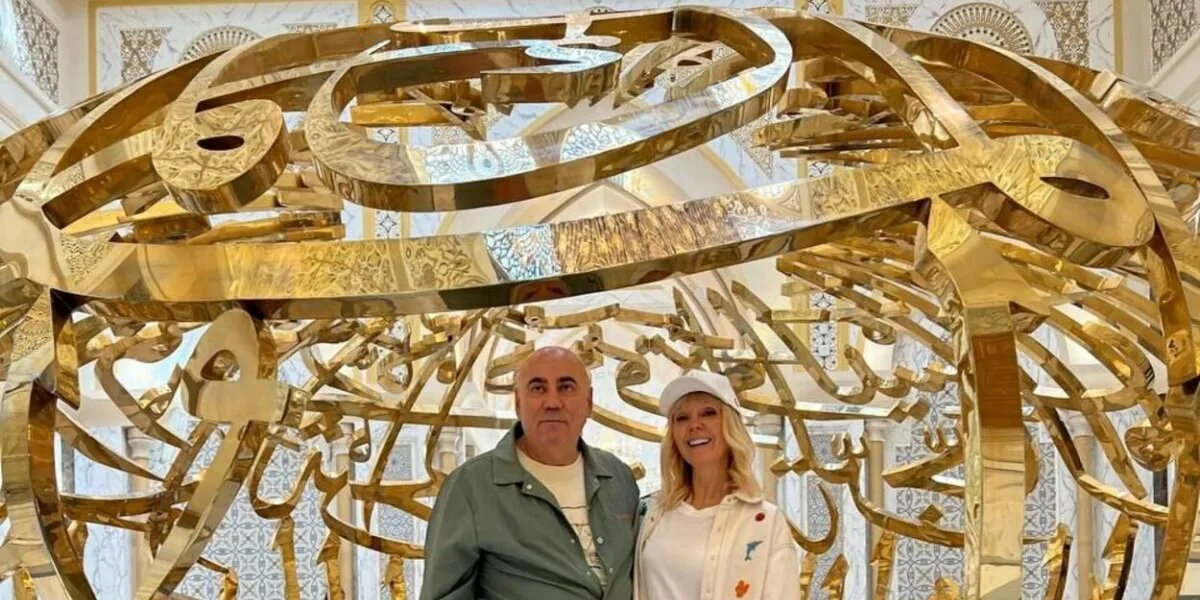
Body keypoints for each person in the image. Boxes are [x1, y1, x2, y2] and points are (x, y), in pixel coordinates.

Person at [422, 346, 641, 600]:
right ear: (518, 402)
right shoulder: (472, 488)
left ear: (589, 401)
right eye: (538, 388)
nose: (552, 403)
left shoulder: (619, 479)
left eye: (566, 387)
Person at [635, 370, 800, 600]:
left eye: (708, 413)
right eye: (682, 418)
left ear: (730, 426)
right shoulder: (653, 513)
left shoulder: (765, 522)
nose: (695, 425)